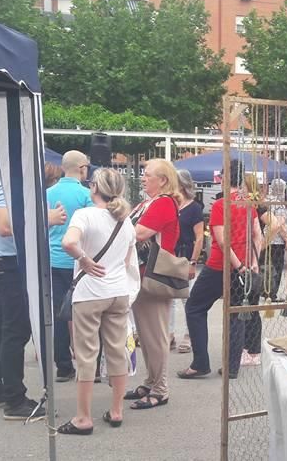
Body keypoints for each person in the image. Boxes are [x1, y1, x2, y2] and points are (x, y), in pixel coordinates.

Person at [58, 169, 138, 435]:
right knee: (117, 351)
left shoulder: (85, 215)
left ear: (94, 188)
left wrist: (84, 259)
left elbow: (68, 242)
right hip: (118, 291)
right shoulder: (125, 221)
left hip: (90, 293)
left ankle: (83, 417)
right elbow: (126, 261)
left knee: (86, 354)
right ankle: (116, 410)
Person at [0, 172, 63, 420]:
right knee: (15, 332)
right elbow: (5, 226)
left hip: (8, 262)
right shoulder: (5, 182)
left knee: (2, 329)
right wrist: (47, 217)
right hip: (12, 264)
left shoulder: (1, 180)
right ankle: (14, 400)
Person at [178, 159, 262, 380]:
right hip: (241, 267)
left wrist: (240, 265)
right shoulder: (247, 203)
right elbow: (257, 235)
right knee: (236, 315)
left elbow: (223, 242)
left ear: (225, 178)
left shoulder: (220, 205)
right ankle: (232, 366)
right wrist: (252, 263)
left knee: (195, 307)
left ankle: (200, 363)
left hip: (219, 266)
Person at [125, 159, 182, 409]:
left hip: (153, 274)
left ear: (163, 180)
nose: (143, 178)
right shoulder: (151, 202)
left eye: (148, 175)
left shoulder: (163, 203)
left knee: (155, 335)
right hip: (145, 273)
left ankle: (160, 388)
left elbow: (137, 233)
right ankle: (151, 381)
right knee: (147, 334)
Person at [46, 151, 93, 382]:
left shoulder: (47, 193)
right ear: (83, 168)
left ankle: (63, 365)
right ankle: (87, 361)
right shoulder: (86, 195)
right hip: (79, 260)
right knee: (84, 314)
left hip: (53, 260)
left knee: (58, 314)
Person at [170, 169, 204, 354]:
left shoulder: (194, 208)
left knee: (185, 296)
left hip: (185, 254)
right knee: (169, 295)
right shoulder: (171, 204)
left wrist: (193, 261)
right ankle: (169, 334)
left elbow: (199, 238)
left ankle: (189, 335)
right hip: (170, 254)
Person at [262, 178, 287, 302]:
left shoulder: (265, 200)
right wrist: (286, 239)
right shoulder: (279, 204)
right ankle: (272, 294)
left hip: (265, 240)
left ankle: (264, 290)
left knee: (266, 267)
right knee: (276, 268)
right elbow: (280, 225)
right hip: (277, 242)